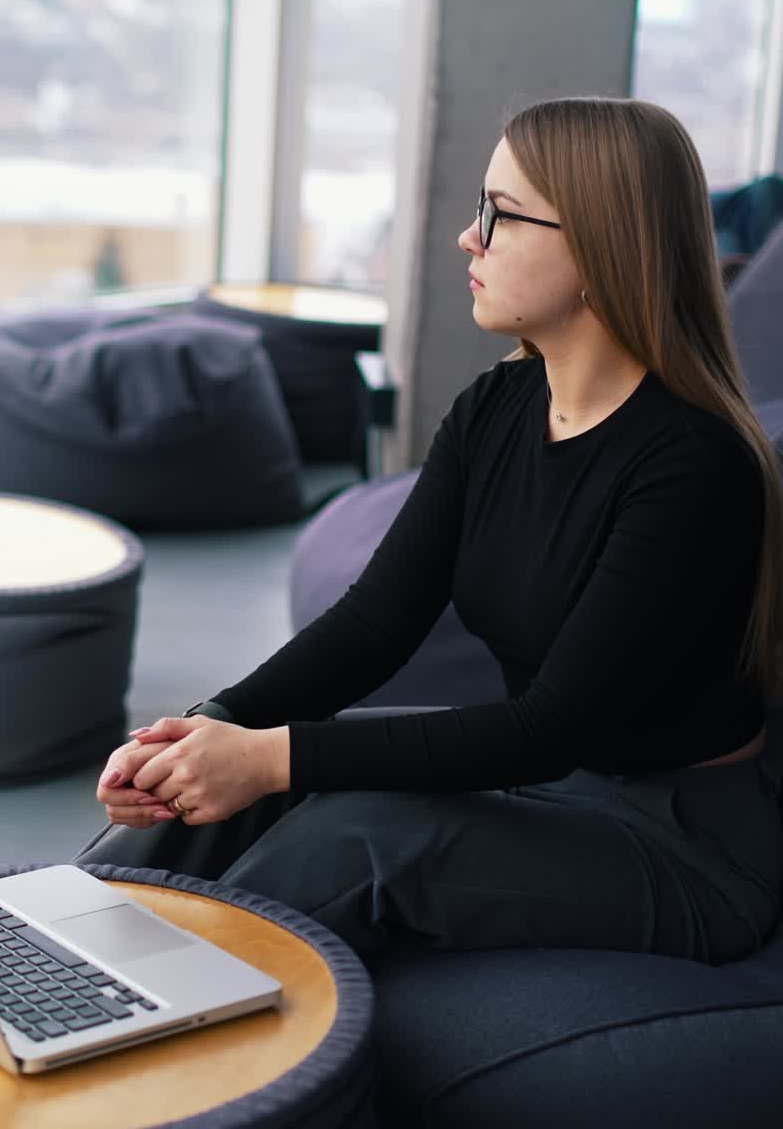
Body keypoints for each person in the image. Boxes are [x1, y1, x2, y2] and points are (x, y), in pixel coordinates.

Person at [76, 96, 783, 965]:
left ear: (601, 245)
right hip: (554, 782)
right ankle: (53, 963)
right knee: (232, 795)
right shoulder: (499, 405)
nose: (469, 237)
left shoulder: (692, 464)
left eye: (501, 215)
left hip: (681, 840)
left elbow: (550, 726)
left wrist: (271, 757)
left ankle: (147, 1032)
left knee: (347, 835)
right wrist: (204, 731)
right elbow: (376, 620)